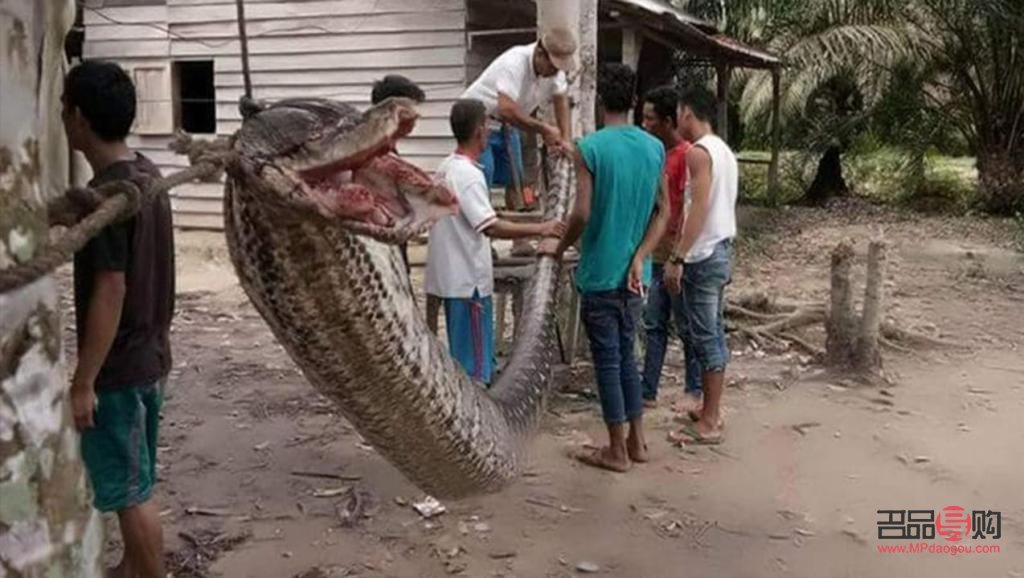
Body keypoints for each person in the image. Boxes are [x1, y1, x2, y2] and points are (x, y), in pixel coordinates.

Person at [62, 60, 172, 578]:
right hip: (151, 356)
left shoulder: (112, 196)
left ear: (78, 118)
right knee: (138, 476)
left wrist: (84, 381)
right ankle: (132, 567)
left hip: (121, 368)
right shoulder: (146, 176)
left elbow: (110, 288)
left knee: (132, 492)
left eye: (64, 110)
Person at [540, 64, 669, 472]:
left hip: (599, 273)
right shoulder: (654, 147)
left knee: (608, 362)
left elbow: (581, 211)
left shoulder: (591, 148)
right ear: (633, 101)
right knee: (628, 357)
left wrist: (559, 247)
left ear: (599, 102)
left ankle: (615, 450)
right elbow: (664, 211)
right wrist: (641, 255)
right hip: (636, 275)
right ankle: (637, 441)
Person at [426, 99, 565, 385]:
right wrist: (542, 228)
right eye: (487, 127)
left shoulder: (445, 167)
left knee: (465, 358)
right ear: (479, 131)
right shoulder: (468, 175)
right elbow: (490, 227)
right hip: (469, 283)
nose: (490, 133)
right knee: (474, 370)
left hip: (451, 279)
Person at [665, 86, 738, 445]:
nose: (676, 120)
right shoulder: (724, 151)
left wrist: (678, 256)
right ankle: (709, 408)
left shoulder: (699, 153)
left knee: (706, 336)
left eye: (678, 112)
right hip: (720, 249)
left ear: (688, 113)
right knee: (709, 332)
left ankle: (710, 419)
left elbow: (699, 209)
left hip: (704, 254)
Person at [461, 27, 577, 255]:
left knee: (517, 181)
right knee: (482, 178)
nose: (554, 72)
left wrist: (565, 138)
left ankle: (519, 240)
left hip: (508, 124)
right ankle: (482, 242)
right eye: (551, 66)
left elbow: (561, 100)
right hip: (480, 122)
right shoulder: (515, 62)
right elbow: (506, 109)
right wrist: (544, 129)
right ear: (540, 54)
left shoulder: (554, 72)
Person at [638, 85, 698, 410]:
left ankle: (694, 389)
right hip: (657, 252)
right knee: (654, 323)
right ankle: (648, 390)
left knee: (685, 324)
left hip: (676, 255)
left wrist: (680, 256)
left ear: (666, 121)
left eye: (650, 118)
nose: (645, 124)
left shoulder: (686, 156)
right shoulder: (655, 153)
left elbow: (688, 207)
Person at [369, 74, 427, 273]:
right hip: (379, 257)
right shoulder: (370, 152)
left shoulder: (387, 148)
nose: (416, 116)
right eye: (411, 110)